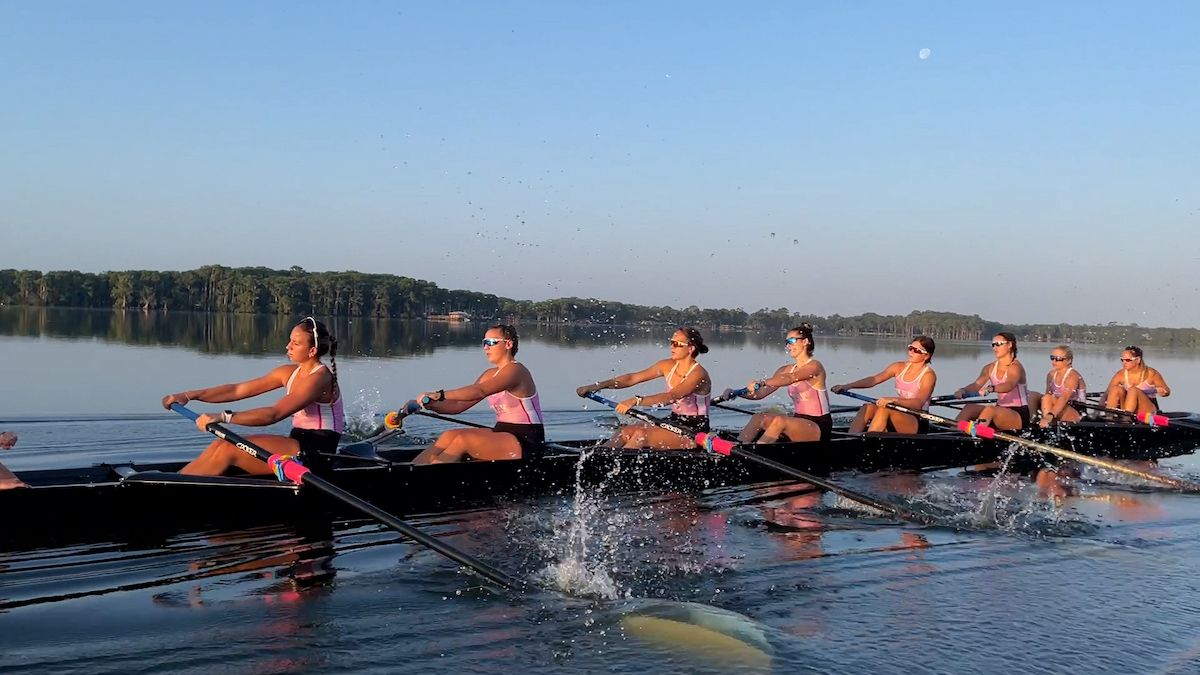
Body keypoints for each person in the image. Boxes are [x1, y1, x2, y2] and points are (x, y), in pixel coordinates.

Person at [161, 317, 344, 476]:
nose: (288, 346)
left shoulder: (320, 378)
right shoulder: (287, 373)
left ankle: (169, 488)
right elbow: (237, 390)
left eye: (295, 343)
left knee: (227, 449)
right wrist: (188, 395)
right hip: (296, 443)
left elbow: (274, 414)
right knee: (219, 445)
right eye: (289, 341)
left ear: (312, 351)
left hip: (319, 452)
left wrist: (223, 417)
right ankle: (176, 480)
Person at [411, 324, 545, 464]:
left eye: (491, 342)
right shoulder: (489, 375)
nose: (485, 347)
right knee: (449, 435)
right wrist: (431, 404)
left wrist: (439, 395)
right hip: (502, 432)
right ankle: (412, 468)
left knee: (463, 441)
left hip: (526, 440)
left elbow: (479, 391)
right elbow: (457, 405)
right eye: (484, 343)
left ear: (508, 344)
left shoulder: (516, 371)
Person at [576, 327, 712, 449]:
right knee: (625, 431)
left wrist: (636, 401)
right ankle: (599, 456)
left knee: (641, 435)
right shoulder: (666, 365)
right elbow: (631, 378)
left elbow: (672, 396)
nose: (672, 347)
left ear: (691, 348)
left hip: (695, 430)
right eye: (671, 343)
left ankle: (618, 465)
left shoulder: (698, 374)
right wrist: (595, 386)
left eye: (677, 344)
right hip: (673, 420)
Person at [724, 324, 831, 444]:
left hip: (819, 426)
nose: (788, 345)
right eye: (786, 342)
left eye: (792, 341)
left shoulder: (815, 367)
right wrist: (736, 393)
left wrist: (762, 382)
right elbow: (759, 394)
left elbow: (791, 378)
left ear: (805, 341)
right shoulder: (784, 369)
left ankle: (755, 452)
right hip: (798, 422)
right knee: (758, 417)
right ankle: (737, 447)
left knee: (780, 420)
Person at [830, 336, 937, 434]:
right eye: (910, 348)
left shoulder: (928, 375)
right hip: (898, 411)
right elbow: (874, 380)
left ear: (926, 356)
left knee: (884, 409)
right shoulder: (898, 367)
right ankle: (850, 438)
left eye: (916, 350)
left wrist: (894, 400)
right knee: (868, 407)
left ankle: (867, 443)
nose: (911, 352)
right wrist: (847, 386)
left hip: (917, 418)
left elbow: (918, 403)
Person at [953, 332, 1032, 431]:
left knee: (990, 409)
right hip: (1000, 410)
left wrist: (991, 388)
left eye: (998, 344)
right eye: (993, 344)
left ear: (1010, 345)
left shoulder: (1016, 367)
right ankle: (954, 431)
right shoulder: (989, 368)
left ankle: (976, 434)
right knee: (969, 408)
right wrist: (963, 390)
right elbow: (976, 385)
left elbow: (1009, 385)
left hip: (1018, 414)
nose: (995, 347)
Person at [1104, 345, 1170, 416]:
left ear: (1138, 360)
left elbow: (1167, 391)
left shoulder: (1151, 373)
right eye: (1122, 360)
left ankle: (1126, 419)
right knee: (1115, 389)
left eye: (1128, 360)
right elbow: (1106, 394)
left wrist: (1161, 391)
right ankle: (1109, 418)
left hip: (1147, 410)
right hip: (1127, 409)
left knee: (1133, 390)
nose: (1124, 363)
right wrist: (1096, 413)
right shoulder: (1120, 374)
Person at [1038, 345, 1087, 428]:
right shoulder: (1050, 375)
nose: (1054, 361)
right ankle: (1037, 424)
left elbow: (1064, 398)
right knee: (1038, 396)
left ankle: (1047, 425)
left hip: (1077, 412)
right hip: (1057, 409)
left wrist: (1050, 415)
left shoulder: (1072, 376)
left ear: (1069, 361)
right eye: (1052, 357)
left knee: (1048, 398)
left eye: (1058, 359)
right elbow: (1047, 396)